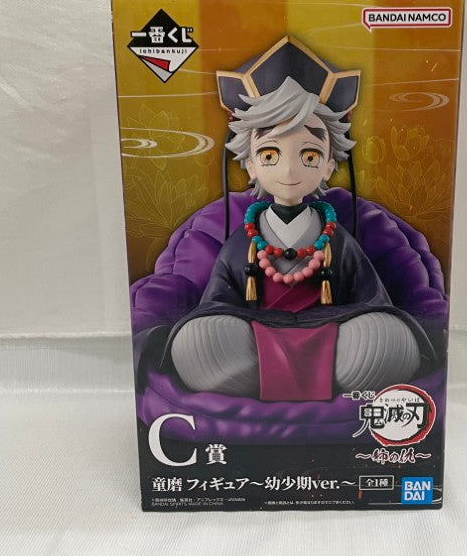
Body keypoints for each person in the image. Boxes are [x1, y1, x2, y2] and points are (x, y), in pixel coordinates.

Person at [167, 37, 431, 401]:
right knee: (196, 342)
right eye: (270, 155)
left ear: (329, 165)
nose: (290, 170)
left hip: (333, 337)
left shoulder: (336, 238)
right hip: (255, 338)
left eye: (308, 156)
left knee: (388, 337)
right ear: (250, 165)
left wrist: (371, 328)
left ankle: (292, 379)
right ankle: (271, 376)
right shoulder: (243, 241)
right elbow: (217, 305)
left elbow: (372, 301)